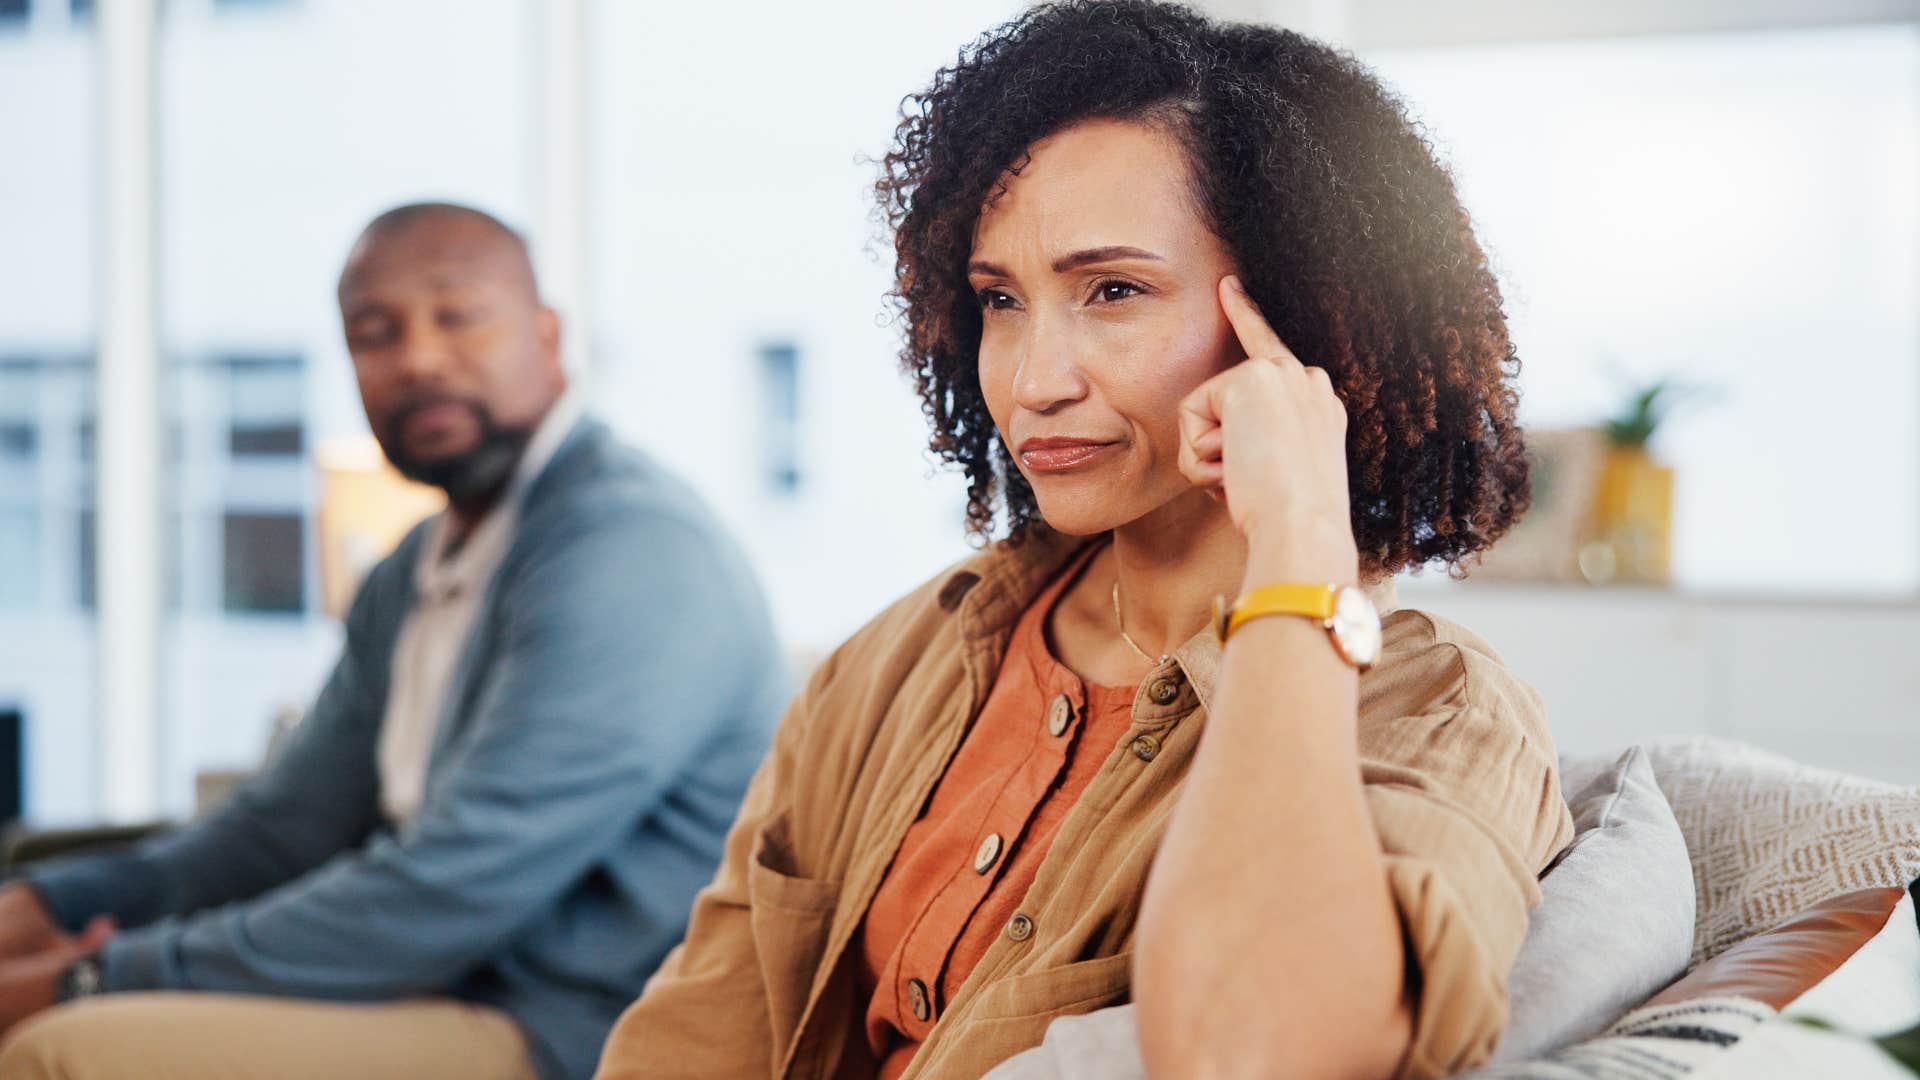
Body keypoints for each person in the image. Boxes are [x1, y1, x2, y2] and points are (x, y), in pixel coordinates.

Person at [595, 4, 1576, 1079]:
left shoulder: (1435, 714)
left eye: (1114, 291)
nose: (1032, 380)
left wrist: (1300, 539)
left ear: (1301, 321)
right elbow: (691, 1041)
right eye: (1000, 301)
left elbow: (1269, 1051)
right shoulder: (901, 659)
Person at [0, 202, 787, 1080]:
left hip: (585, 1029)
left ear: (548, 335)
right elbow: (281, 830)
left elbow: (454, 886)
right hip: (445, 986)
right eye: (375, 334)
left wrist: (94, 977)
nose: (417, 359)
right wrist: (50, 904)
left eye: (458, 316)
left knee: (57, 1053)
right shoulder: (420, 562)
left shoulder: (630, 547)